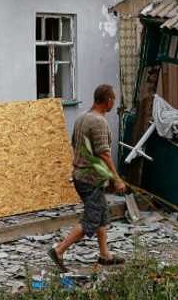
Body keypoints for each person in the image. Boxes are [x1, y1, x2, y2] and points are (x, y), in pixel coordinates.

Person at [49, 84, 126, 270]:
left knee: (102, 216)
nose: (113, 104)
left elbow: (75, 145)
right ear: (108, 100)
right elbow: (104, 153)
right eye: (113, 100)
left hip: (81, 176)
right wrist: (116, 178)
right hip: (89, 179)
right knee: (91, 219)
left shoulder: (82, 117)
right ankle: (59, 250)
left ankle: (105, 255)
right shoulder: (99, 122)